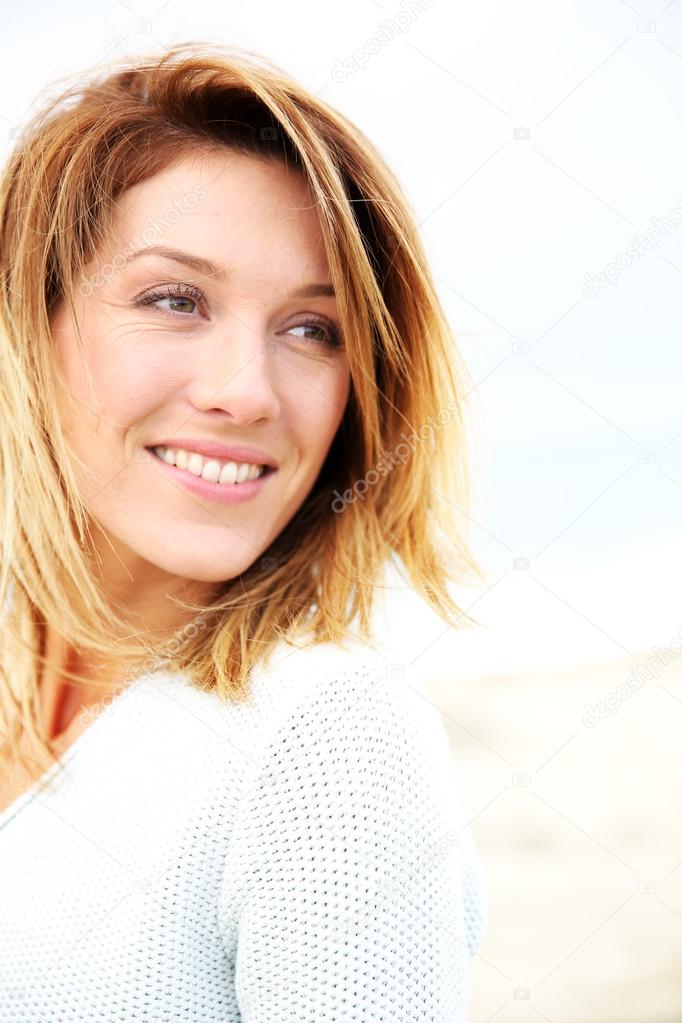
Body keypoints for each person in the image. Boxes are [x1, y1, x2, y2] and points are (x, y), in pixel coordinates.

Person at [0, 41, 489, 1021]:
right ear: (29, 323)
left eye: (315, 329)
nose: (246, 393)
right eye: (174, 301)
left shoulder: (326, 741)